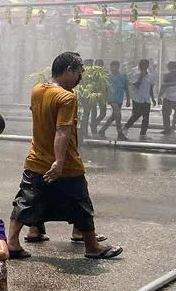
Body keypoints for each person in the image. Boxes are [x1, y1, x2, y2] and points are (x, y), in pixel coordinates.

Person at [7, 51, 122, 260]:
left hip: (36, 159)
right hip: (66, 164)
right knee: (81, 203)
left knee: (25, 200)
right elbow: (62, 131)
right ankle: (92, 246)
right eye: (79, 73)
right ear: (68, 70)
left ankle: (12, 243)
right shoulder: (66, 97)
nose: (80, 78)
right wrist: (59, 162)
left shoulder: (38, 90)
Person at [121, 58, 157, 139]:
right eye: (142, 65)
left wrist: (153, 99)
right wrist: (141, 76)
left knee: (146, 117)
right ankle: (126, 127)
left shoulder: (150, 76)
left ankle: (143, 134)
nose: (144, 66)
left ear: (147, 66)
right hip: (137, 99)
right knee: (136, 115)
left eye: (146, 65)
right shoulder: (136, 74)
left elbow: (150, 88)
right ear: (140, 65)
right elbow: (136, 85)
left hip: (146, 99)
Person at [98, 60, 129, 140]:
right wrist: (105, 98)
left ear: (118, 67)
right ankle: (120, 133)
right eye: (112, 66)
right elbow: (105, 89)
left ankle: (102, 130)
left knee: (114, 116)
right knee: (118, 114)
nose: (114, 68)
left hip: (119, 99)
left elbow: (126, 88)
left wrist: (128, 99)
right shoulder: (108, 77)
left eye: (116, 66)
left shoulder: (123, 76)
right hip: (112, 98)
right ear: (110, 67)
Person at [157, 60, 176, 136]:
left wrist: (159, 96)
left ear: (168, 67)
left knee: (166, 114)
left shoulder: (167, 76)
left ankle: (167, 130)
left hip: (169, 98)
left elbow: (163, 87)